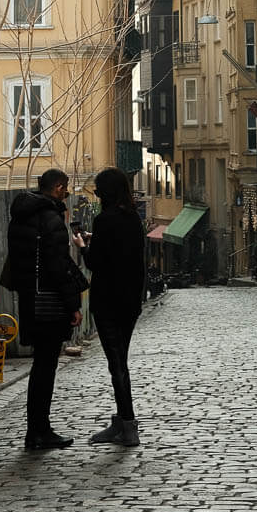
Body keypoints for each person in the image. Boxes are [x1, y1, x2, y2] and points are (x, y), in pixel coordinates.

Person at [7, 168, 89, 451]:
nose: (66, 194)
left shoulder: (22, 214)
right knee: (45, 367)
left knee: (40, 366)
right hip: (49, 303)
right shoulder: (49, 217)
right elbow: (58, 265)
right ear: (57, 188)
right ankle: (39, 431)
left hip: (30, 298)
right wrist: (73, 304)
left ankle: (37, 429)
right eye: (65, 189)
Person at [75, 166, 146, 447]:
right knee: (120, 361)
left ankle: (127, 425)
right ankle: (122, 421)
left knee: (116, 364)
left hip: (107, 301)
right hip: (130, 301)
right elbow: (129, 256)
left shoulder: (104, 220)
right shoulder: (133, 219)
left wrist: (82, 246)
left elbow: (94, 263)